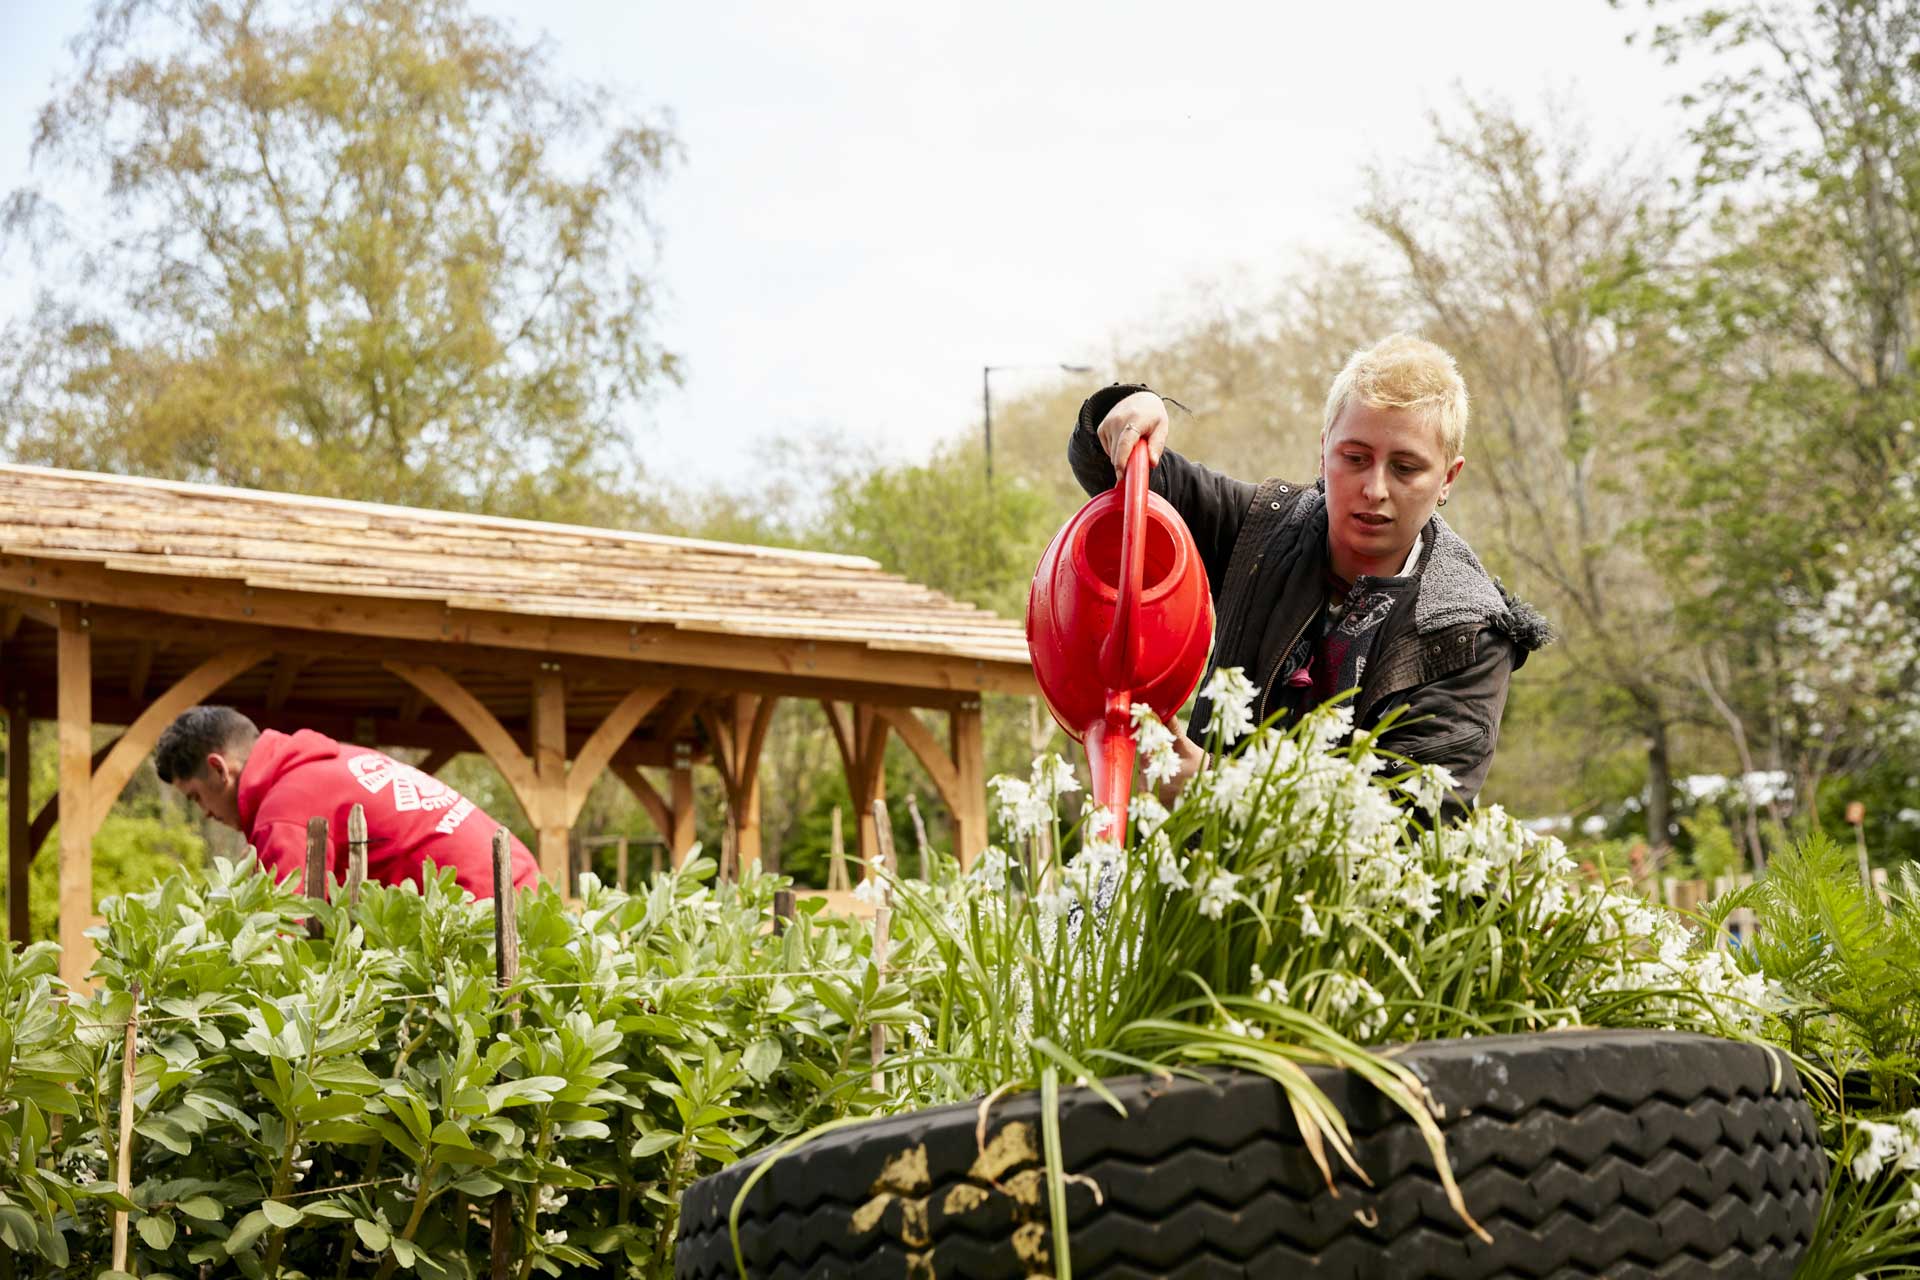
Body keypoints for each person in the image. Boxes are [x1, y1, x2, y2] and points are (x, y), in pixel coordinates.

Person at [1068, 333, 1549, 807]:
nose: (1374, 489)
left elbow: (1411, 823)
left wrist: (1215, 792)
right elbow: (1116, 472)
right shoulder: (1264, 529)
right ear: (1324, 451)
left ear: (1447, 477)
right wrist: (1131, 409)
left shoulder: (1467, 632)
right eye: (1355, 458)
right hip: (1206, 873)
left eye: (1405, 468)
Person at [154, 705, 540, 898]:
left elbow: (289, 935)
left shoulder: (284, 810)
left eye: (196, 797)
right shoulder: (335, 759)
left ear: (219, 769)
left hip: (488, 914)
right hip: (524, 886)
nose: (205, 812)